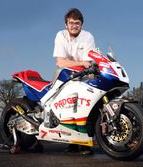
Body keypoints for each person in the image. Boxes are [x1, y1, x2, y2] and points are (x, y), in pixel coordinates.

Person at [53, 8, 95, 155]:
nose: (74, 26)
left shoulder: (88, 36)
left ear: (81, 24)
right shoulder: (60, 35)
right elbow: (60, 62)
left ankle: (85, 144)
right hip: (64, 75)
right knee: (65, 108)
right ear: (66, 24)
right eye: (71, 23)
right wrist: (79, 63)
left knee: (86, 107)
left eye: (77, 23)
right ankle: (71, 143)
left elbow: (87, 63)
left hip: (83, 76)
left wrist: (77, 64)